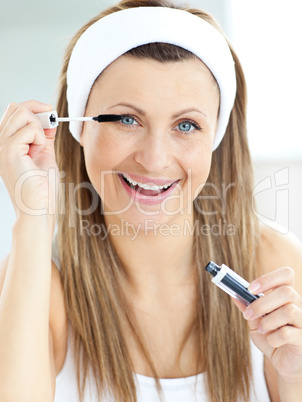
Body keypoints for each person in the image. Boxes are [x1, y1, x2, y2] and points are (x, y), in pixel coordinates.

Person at [0, 0, 301, 401]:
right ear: (78, 125)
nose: (155, 158)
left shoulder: (277, 270)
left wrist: (295, 378)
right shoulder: (38, 278)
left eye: (187, 125)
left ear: (214, 140)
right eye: (127, 119)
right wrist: (33, 216)